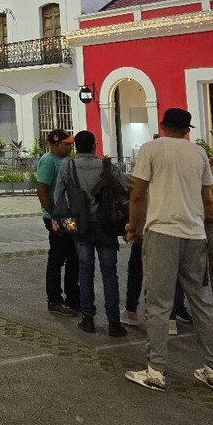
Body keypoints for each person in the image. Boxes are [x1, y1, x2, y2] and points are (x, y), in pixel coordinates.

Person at [124, 108, 213, 392]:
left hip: (162, 231)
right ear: (187, 129)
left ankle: (155, 370)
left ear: (163, 125)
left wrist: (133, 227)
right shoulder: (198, 154)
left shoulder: (151, 149)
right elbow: (209, 198)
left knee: (158, 303)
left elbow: (138, 193)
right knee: (201, 302)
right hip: (195, 233)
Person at [53, 131, 127, 337]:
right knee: (110, 274)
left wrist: (62, 223)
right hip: (106, 226)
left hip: (81, 226)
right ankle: (114, 321)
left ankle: (88, 318)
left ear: (76, 146)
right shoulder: (108, 166)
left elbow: (59, 195)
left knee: (85, 272)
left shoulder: (68, 166)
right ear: (95, 145)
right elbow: (122, 192)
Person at [36, 129, 80, 317]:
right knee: (57, 257)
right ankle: (54, 299)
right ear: (55, 144)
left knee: (73, 256)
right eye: (66, 144)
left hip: (68, 216)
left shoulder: (65, 161)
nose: (70, 147)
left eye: (71, 144)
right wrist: (53, 214)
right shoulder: (48, 161)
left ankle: (73, 297)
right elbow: (42, 189)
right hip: (56, 216)